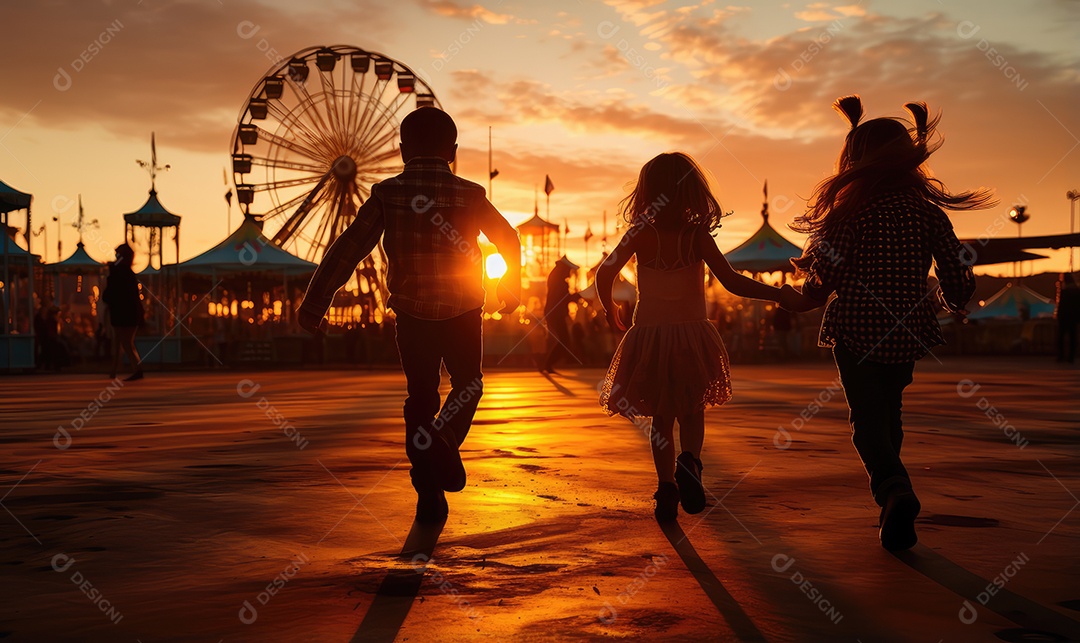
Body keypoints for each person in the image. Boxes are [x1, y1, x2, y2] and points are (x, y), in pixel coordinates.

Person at [783, 96, 995, 550]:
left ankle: (894, 489)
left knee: (866, 422)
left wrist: (808, 292)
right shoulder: (927, 212)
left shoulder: (850, 212)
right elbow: (957, 273)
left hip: (857, 328)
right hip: (908, 331)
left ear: (852, 160)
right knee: (890, 414)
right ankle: (893, 501)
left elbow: (831, 270)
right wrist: (955, 299)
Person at [298, 107, 521, 524]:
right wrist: (509, 286)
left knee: (421, 396)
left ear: (402, 151)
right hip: (463, 310)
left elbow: (348, 250)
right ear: (453, 152)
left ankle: (428, 488)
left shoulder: (387, 193)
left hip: (412, 315)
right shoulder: (471, 194)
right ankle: (447, 437)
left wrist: (315, 303)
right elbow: (508, 237)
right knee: (468, 385)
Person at [595, 152, 800, 522]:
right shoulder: (696, 235)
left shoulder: (641, 234)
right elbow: (733, 282)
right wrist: (778, 294)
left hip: (650, 337)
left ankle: (666, 488)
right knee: (692, 409)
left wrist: (609, 308)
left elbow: (605, 272)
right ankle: (690, 461)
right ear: (692, 191)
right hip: (692, 336)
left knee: (661, 418)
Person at [102, 243, 145, 381]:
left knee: (124, 342)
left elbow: (111, 293)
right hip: (130, 312)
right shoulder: (129, 274)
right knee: (125, 341)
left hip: (122, 313)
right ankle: (118, 369)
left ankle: (135, 369)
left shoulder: (117, 272)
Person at [540, 256, 580, 374]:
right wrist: (578, 296)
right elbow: (563, 298)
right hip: (555, 313)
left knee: (560, 340)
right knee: (564, 341)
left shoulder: (556, 277)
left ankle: (546, 364)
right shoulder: (559, 281)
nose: (570, 273)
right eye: (569, 270)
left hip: (554, 312)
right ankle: (546, 364)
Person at [1055, 273, 1080, 363]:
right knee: (1073, 337)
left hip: (1064, 317)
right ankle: (1071, 356)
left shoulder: (1064, 291)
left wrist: (1057, 316)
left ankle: (1061, 356)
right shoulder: (1077, 291)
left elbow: (1061, 306)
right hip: (1073, 317)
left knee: (1061, 337)